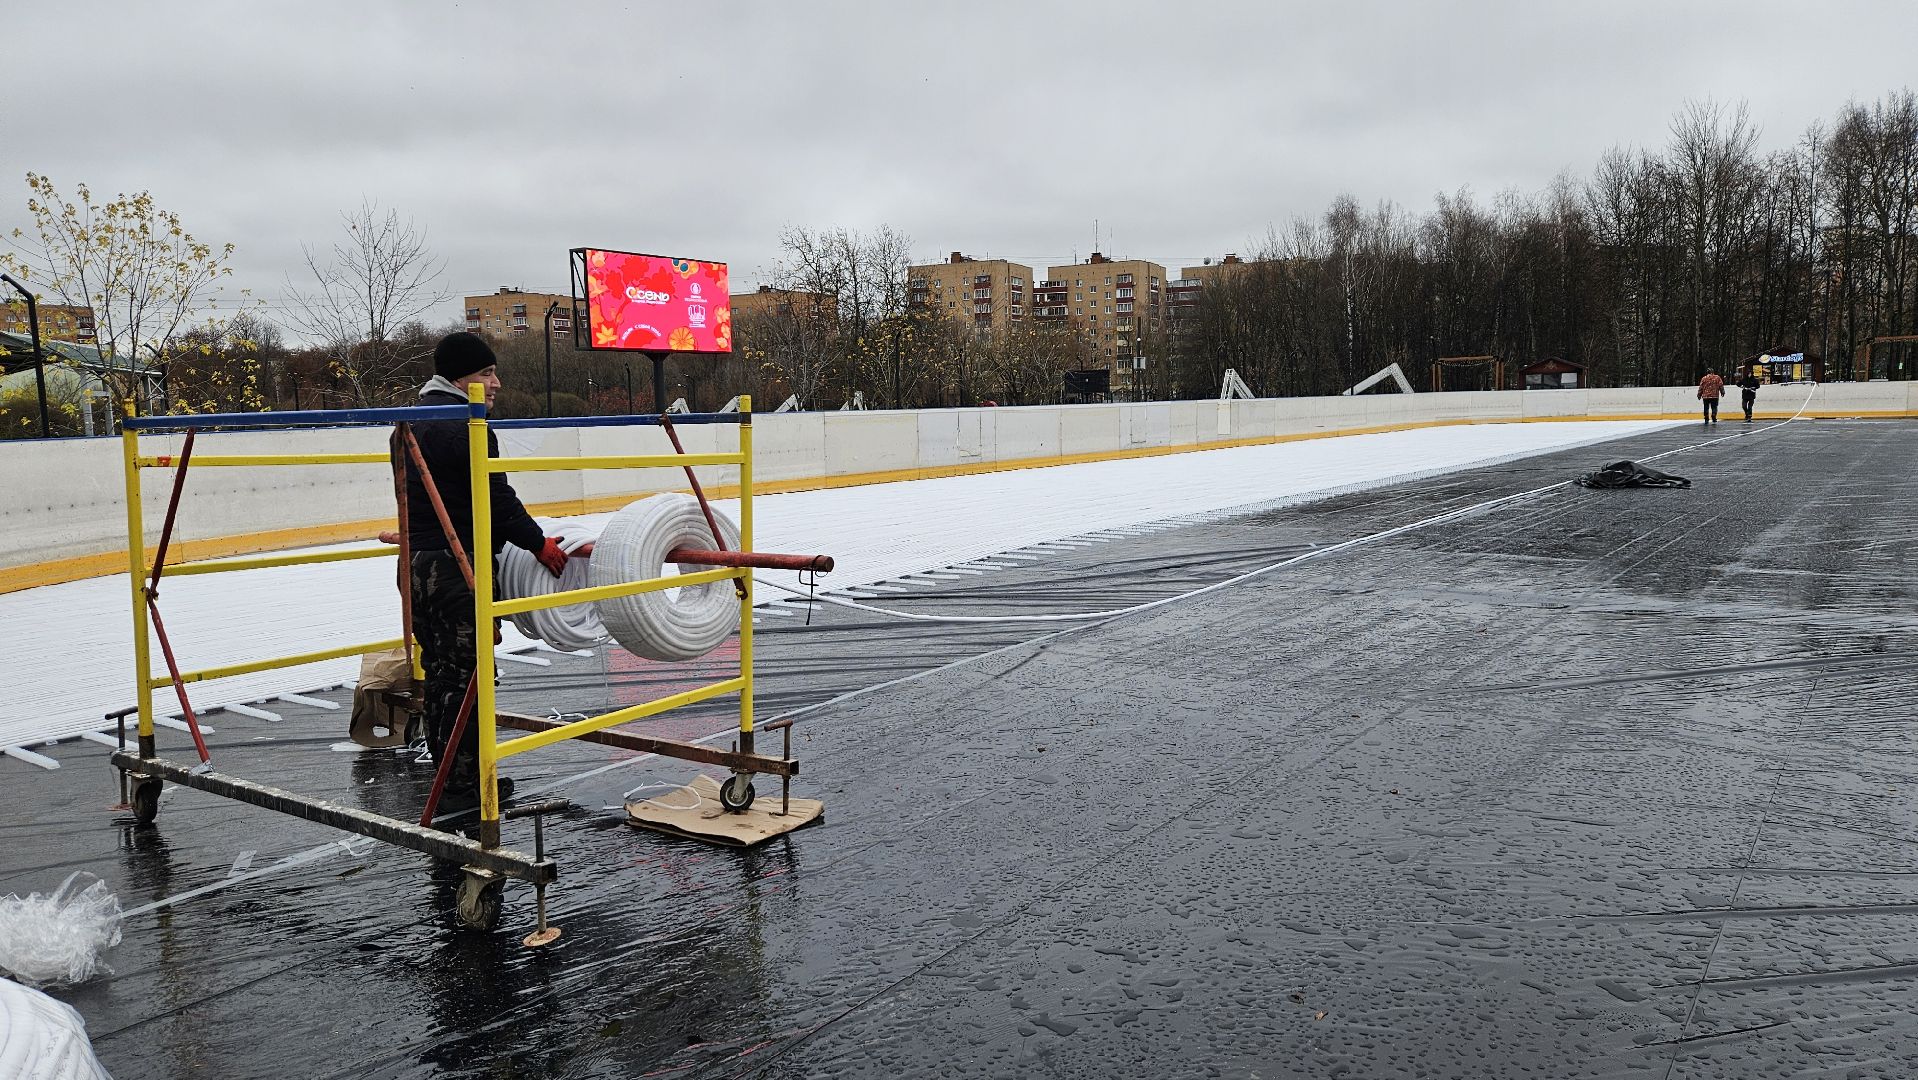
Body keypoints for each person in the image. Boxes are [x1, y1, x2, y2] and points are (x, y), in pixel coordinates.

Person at [400, 332, 567, 819]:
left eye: (493, 373)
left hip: (421, 563)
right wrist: (539, 543)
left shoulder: (413, 417)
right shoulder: (464, 423)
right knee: (469, 673)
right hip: (457, 567)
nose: (495, 383)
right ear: (459, 378)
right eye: (484, 374)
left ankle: (455, 772)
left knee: (441, 671)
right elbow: (496, 499)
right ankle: (465, 786)